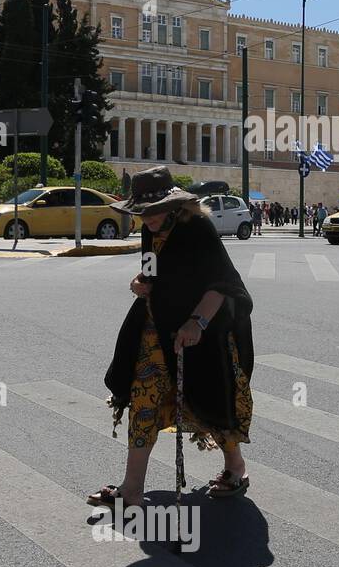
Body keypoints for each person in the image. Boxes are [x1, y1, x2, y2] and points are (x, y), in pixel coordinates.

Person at [90, 166, 255, 510]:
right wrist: (140, 283)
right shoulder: (152, 231)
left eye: (152, 212)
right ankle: (131, 489)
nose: (146, 219)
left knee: (207, 401)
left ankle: (235, 467)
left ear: (173, 205)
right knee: (144, 399)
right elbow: (150, 271)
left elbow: (222, 284)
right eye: (141, 213)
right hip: (155, 328)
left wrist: (196, 322)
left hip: (201, 334)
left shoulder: (197, 230)